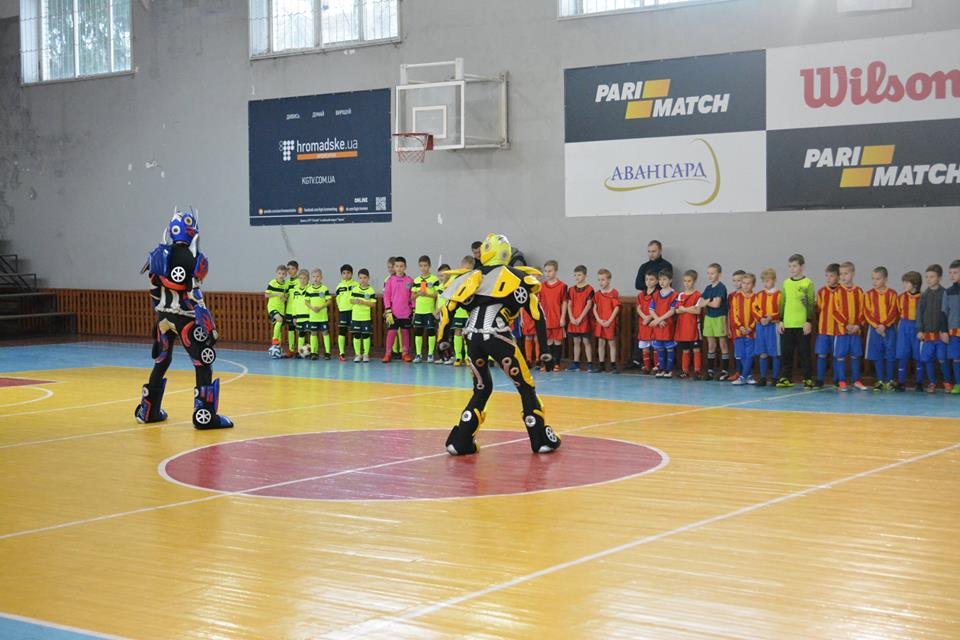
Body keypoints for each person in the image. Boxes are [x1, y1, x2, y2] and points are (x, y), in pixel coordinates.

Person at [437, 233, 559, 455]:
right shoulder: (517, 277)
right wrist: (545, 349)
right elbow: (537, 313)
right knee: (525, 386)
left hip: (471, 336)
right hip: (498, 334)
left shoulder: (471, 277)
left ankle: (460, 440)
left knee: (482, 388)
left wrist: (442, 340)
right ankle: (540, 439)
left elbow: (447, 310)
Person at [134, 207, 232, 429]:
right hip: (186, 318)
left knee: (162, 360)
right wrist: (209, 326)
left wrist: (158, 315)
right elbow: (195, 294)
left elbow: (153, 290)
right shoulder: (194, 258)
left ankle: (148, 411)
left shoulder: (158, 255)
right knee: (202, 362)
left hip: (163, 317)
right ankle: (205, 416)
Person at [778, 254, 815, 389]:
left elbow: (810, 303)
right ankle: (785, 378)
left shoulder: (808, 283)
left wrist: (808, 321)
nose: (792, 269)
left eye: (794, 266)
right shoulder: (786, 283)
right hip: (788, 324)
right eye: (790, 266)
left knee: (804, 353)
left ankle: (808, 378)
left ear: (802, 267)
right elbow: (782, 303)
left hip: (802, 324)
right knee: (786, 353)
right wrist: (781, 320)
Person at [833, 261, 867, 392]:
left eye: (846, 273)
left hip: (855, 331)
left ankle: (856, 380)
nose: (843, 276)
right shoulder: (837, 291)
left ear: (852, 273)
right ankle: (841, 381)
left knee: (855, 355)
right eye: (841, 274)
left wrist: (857, 325)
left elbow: (863, 310)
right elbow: (835, 311)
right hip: (842, 331)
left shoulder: (859, 291)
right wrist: (846, 324)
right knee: (840, 356)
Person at [864, 266, 899, 391]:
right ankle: (879, 380)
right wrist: (876, 325)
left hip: (889, 329)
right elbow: (867, 312)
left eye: (878, 279)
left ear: (885, 279)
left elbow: (894, 311)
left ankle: (890, 380)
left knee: (890, 354)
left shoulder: (892, 294)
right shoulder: (868, 294)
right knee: (877, 354)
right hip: (875, 330)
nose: (874, 281)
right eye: (873, 278)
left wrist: (884, 325)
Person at [917, 264, 951, 393]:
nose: (928, 279)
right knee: (927, 359)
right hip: (927, 336)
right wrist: (919, 330)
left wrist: (945, 330)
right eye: (927, 277)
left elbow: (947, 313)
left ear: (939, 278)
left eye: (932, 277)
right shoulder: (924, 295)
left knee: (942, 358)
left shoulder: (945, 293)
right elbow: (919, 314)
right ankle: (932, 382)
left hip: (941, 335)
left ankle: (947, 382)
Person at [699, 263, 729, 381]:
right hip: (709, 317)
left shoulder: (721, 287)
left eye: (713, 273)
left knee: (723, 344)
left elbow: (717, 304)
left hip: (719, 317)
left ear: (719, 274)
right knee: (711, 345)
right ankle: (710, 371)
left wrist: (706, 302)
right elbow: (700, 302)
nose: (710, 275)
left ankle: (725, 370)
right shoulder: (708, 288)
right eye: (708, 273)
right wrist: (708, 301)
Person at [814, 263, 842, 389]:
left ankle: (837, 379)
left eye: (831, 276)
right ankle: (820, 379)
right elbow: (819, 309)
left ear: (838, 277)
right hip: (823, 329)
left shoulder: (842, 291)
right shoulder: (821, 291)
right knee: (821, 354)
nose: (828, 278)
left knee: (836, 355)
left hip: (837, 330)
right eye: (827, 276)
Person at [752, 268, 782, 387]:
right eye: (764, 281)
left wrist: (771, 317)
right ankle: (763, 377)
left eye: (768, 280)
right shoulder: (759, 295)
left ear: (774, 280)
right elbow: (755, 308)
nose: (766, 283)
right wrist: (761, 318)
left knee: (775, 353)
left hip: (773, 326)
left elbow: (781, 310)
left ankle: (775, 377)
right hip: (761, 326)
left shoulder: (780, 295)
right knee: (763, 352)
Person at [382, 256, 414, 363]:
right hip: (393, 313)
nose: (399, 268)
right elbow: (386, 296)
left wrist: (413, 309)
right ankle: (388, 354)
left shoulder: (410, 280)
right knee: (391, 333)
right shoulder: (390, 280)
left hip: (406, 313)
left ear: (405, 267)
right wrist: (388, 310)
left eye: (401, 266)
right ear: (394, 267)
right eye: (397, 266)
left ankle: (405, 353)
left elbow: (412, 296)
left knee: (405, 333)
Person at [895, 271, 923, 392]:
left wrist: (922, 329)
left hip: (917, 326)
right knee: (902, 354)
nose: (904, 285)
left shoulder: (923, 298)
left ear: (915, 284)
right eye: (904, 282)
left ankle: (919, 383)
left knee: (918, 355)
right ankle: (901, 382)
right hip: (904, 326)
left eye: (907, 283)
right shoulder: (901, 297)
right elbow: (897, 312)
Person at [649, 269, 679, 378]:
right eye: (660, 279)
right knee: (659, 348)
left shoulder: (674, 294)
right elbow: (651, 309)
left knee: (669, 347)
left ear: (670, 280)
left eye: (664, 279)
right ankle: (661, 368)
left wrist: (659, 320)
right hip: (659, 326)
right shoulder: (656, 294)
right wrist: (658, 320)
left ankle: (669, 369)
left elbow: (672, 311)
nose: (662, 282)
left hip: (668, 325)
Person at [539, 260, 568, 372]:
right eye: (545, 271)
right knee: (548, 341)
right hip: (546, 317)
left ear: (556, 271)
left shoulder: (562, 286)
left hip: (557, 316)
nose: (547, 273)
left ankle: (557, 363)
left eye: (550, 271)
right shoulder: (541, 286)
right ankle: (548, 363)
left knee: (557, 341)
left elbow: (564, 302)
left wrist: (563, 317)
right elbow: (539, 303)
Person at [411, 255, 440, 363]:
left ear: (429, 265)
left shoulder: (434, 279)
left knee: (431, 332)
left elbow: (437, 294)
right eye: (421, 266)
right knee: (418, 332)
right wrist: (419, 293)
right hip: (419, 311)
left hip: (430, 311)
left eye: (425, 265)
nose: (423, 268)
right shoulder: (416, 280)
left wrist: (427, 294)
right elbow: (412, 296)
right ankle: (418, 354)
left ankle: (430, 354)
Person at [730, 273, 758, 385]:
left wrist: (751, 328)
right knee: (741, 354)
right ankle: (748, 375)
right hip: (739, 331)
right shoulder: (736, 297)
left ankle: (743, 377)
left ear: (753, 285)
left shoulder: (756, 298)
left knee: (749, 354)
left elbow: (757, 314)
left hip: (751, 332)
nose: (746, 286)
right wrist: (740, 327)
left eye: (748, 283)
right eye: (744, 283)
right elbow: (734, 314)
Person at [674, 270, 702, 380]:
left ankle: (697, 371)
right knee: (685, 350)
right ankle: (685, 371)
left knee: (696, 349)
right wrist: (689, 309)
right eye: (685, 281)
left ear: (694, 281)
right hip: (683, 327)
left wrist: (684, 309)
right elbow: (677, 310)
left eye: (689, 281)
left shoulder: (698, 295)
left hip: (694, 326)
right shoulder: (681, 295)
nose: (686, 283)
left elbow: (697, 311)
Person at [566, 265, 594, 372]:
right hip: (574, 320)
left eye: (579, 275)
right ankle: (575, 363)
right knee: (576, 341)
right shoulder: (571, 289)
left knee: (586, 342)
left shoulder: (590, 289)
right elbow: (569, 304)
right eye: (575, 275)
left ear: (585, 276)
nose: (577, 277)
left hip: (584, 320)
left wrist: (580, 318)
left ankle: (590, 364)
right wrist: (571, 317)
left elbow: (588, 305)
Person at [593, 268, 621, 374]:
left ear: (609, 280)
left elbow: (616, 308)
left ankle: (613, 365)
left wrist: (609, 320)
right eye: (599, 280)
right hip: (600, 322)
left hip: (610, 322)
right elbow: (594, 308)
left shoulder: (614, 292)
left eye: (603, 280)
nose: (601, 282)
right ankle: (601, 365)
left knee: (611, 343)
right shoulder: (597, 294)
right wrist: (599, 320)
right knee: (601, 343)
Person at [304, 268, 332, 360]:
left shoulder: (324, 288)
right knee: (313, 333)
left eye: (317, 276)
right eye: (314, 277)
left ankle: (327, 353)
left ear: (321, 277)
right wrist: (313, 308)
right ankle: (314, 352)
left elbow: (329, 301)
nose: (315, 278)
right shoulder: (309, 289)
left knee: (325, 333)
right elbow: (306, 302)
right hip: (313, 317)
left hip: (323, 316)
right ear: (311, 278)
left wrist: (320, 307)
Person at [350, 269, 377, 363]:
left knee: (366, 335)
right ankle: (358, 354)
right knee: (356, 335)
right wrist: (355, 301)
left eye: (365, 278)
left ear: (368, 278)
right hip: (356, 316)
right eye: (360, 278)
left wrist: (363, 302)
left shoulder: (371, 290)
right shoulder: (355, 289)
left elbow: (373, 304)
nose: (362, 280)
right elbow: (350, 300)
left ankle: (366, 354)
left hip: (365, 317)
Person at [635, 271, 659, 374]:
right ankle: (647, 366)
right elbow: (638, 308)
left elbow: (658, 308)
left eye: (651, 279)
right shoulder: (640, 295)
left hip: (653, 322)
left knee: (655, 345)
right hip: (643, 323)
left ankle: (656, 366)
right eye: (647, 279)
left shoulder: (658, 294)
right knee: (645, 346)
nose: (649, 282)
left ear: (657, 281)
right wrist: (644, 317)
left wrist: (649, 317)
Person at [334, 264, 358, 362]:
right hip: (343, 312)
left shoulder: (356, 285)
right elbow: (338, 299)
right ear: (341, 275)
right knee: (342, 332)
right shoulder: (339, 286)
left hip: (354, 312)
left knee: (355, 332)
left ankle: (357, 353)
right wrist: (341, 307)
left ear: (352, 274)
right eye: (344, 273)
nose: (346, 275)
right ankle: (341, 353)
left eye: (348, 273)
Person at [943, 260, 960, 395]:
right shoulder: (948, 292)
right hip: (954, 332)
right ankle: (958, 384)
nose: (952, 275)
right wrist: (944, 331)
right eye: (950, 273)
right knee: (956, 358)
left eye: (955, 272)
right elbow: (944, 313)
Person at [264, 264, 288, 357]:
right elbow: (266, 295)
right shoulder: (272, 282)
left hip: (281, 309)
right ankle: (274, 339)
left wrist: (284, 298)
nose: (281, 275)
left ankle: (279, 350)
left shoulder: (286, 284)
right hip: (272, 307)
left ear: (286, 275)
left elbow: (285, 297)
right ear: (276, 273)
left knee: (279, 330)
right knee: (279, 320)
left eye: (283, 274)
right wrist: (276, 294)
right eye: (279, 273)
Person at [281, 259, 300, 358]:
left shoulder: (301, 281)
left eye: (292, 269)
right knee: (291, 330)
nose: (290, 271)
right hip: (289, 310)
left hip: (298, 310)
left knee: (300, 331)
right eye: (288, 269)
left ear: (297, 269)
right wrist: (283, 297)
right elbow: (285, 296)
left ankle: (300, 351)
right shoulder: (287, 283)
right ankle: (291, 350)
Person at [291, 269, 311, 357]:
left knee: (311, 334)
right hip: (299, 316)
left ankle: (313, 352)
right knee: (301, 334)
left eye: (305, 278)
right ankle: (300, 352)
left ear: (308, 279)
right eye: (301, 278)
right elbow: (293, 304)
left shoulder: (310, 289)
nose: (302, 280)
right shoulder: (295, 290)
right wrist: (294, 316)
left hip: (309, 316)